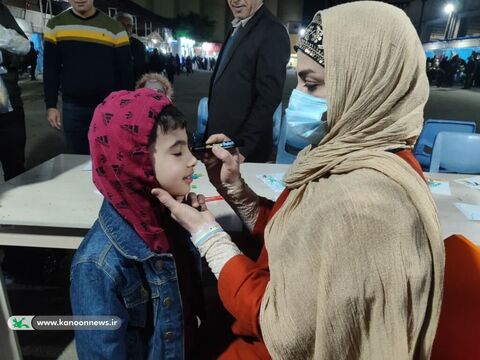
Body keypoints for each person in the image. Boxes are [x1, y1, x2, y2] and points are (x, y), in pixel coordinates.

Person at [153, 2, 445, 358]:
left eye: (312, 84)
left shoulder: (369, 204)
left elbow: (283, 327)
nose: (296, 100)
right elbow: (292, 235)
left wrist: (210, 239)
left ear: (367, 86)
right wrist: (235, 190)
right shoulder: (337, 158)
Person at [70, 88, 205, 359]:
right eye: (177, 153)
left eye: (188, 147)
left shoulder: (172, 218)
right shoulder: (97, 267)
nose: (193, 159)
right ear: (135, 162)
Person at [43, 0, 134, 155]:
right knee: (75, 159)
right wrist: (51, 105)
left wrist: (126, 107)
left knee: (107, 157)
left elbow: (126, 72)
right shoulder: (55, 26)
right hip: (72, 108)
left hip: (107, 108)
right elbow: (51, 69)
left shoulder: (115, 28)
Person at [206, 0, 290, 162]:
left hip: (242, 150)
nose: (236, 1)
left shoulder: (272, 30)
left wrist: (244, 148)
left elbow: (269, 96)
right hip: (221, 141)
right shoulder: (237, 27)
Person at [0, 2, 31, 181]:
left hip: (8, 104)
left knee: (14, 166)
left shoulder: (1, 11)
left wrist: (5, 57)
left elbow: (26, 51)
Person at [115, 12, 147, 82]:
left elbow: (142, 69)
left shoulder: (139, 45)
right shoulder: (107, 44)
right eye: (122, 24)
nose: (126, 28)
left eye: (129, 25)